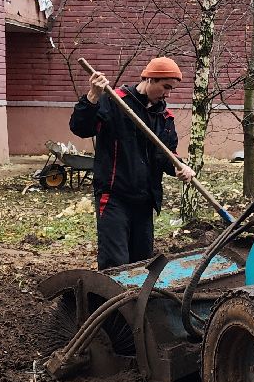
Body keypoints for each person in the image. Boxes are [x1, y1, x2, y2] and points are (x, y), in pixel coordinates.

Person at [70, 57, 195, 270]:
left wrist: (179, 167)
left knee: (141, 264)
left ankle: (137, 303)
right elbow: (80, 128)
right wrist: (92, 97)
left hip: (145, 201)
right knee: (115, 262)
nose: (168, 94)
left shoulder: (164, 117)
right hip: (114, 197)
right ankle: (109, 303)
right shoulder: (114, 101)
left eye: (171, 89)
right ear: (149, 79)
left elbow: (166, 156)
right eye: (165, 87)